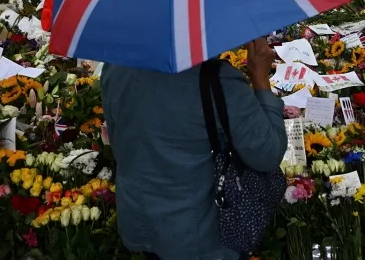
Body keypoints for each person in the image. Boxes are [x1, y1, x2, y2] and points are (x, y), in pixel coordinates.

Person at [100, 38, 287, 260]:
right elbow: (268, 153)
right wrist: (260, 77)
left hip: (139, 221)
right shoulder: (216, 79)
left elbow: (117, 139)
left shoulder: (116, 66)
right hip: (197, 236)